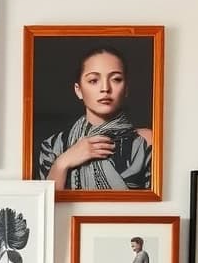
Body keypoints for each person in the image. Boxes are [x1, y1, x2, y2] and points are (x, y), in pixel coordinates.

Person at [38, 46, 152, 191]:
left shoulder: (145, 143)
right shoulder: (53, 146)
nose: (105, 88)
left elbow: (155, 208)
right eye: (93, 80)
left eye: (116, 79)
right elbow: (47, 209)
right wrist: (62, 163)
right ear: (78, 91)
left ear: (126, 89)